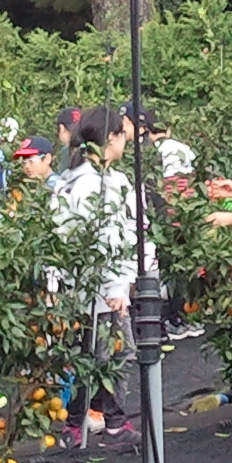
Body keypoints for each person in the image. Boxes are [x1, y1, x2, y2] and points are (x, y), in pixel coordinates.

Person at [49, 107, 139, 444]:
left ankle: (99, 418)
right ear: (111, 137)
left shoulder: (103, 180)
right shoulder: (92, 185)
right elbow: (105, 238)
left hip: (91, 288)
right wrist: (117, 287)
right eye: (121, 134)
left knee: (103, 354)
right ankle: (87, 420)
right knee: (104, 355)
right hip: (97, 289)